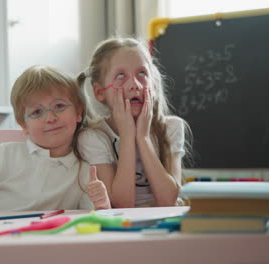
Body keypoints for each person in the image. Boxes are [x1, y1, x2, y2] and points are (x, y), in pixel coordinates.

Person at [0, 65, 111, 211]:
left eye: (59, 106)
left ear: (78, 112)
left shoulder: (83, 172)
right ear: (23, 125)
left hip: (38, 235)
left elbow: (96, 217)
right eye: (37, 112)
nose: (50, 118)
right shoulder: (6, 153)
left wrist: (103, 202)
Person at [77, 37, 193, 208]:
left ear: (153, 85)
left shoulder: (171, 128)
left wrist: (143, 137)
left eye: (142, 73)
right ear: (100, 92)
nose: (134, 84)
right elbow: (123, 204)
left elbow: (168, 201)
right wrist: (127, 136)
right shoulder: (94, 137)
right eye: (121, 75)